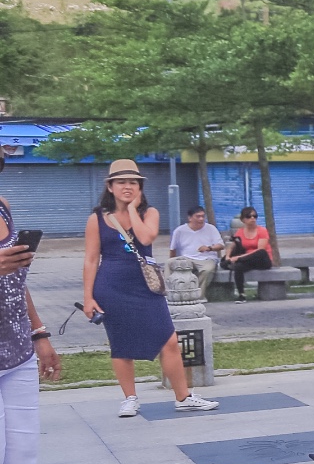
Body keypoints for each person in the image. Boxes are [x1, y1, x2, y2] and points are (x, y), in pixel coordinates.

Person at [81, 160, 219, 417]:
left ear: (140, 187)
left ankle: (183, 396)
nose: (127, 186)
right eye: (121, 182)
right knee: (120, 344)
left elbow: (145, 238)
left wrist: (133, 208)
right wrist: (88, 297)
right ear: (110, 187)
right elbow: (90, 259)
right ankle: (129, 398)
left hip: (146, 285)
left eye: (133, 182)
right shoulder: (96, 219)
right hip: (111, 285)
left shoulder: (149, 212)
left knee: (168, 340)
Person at [0, 154, 64, 464]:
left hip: (17, 349)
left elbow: (16, 284)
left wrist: (40, 333)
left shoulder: (3, 204)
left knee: (19, 461)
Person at [169, 206, 224, 296]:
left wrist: (209, 248)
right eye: (198, 216)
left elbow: (221, 245)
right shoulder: (179, 231)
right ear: (190, 218)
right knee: (169, 263)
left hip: (207, 259)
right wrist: (173, 261)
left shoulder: (211, 228)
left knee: (207, 270)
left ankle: (197, 296)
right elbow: (173, 249)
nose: (201, 219)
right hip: (186, 258)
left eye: (203, 216)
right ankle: (170, 292)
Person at [224, 207, 273, 300]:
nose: (252, 218)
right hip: (248, 260)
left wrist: (239, 257)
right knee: (238, 267)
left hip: (262, 260)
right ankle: (241, 294)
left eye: (255, 216)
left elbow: (260, 249)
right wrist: (227, 256)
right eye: (249, 216)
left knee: (261, 252)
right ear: (243, 220)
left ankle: (237, 261)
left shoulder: (262, 231)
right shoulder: (240, 232)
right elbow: (231, 246)